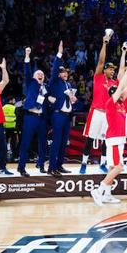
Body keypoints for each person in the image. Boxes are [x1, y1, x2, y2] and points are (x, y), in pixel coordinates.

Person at [90, 62, 127, 206]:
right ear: (114, 93)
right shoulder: (110, 103)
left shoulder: (121, 104)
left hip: (119, 140)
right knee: (119, 167)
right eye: (118, 92)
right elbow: (121, 87)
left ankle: (107, 195)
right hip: (114, 139)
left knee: (112, 168)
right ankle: (99, 190)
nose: (122, 94)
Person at [80, 30, 118, 174]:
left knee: (106, 140)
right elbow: (101, 61)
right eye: (110, 69)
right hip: (96, 112)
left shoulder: (114, 82)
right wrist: (104, 43)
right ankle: (84, 163)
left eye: (113, 69)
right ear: (105, 70)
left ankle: (102, 164)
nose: (112, 71)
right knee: (90, 138)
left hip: (108, 113)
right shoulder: (98, 77)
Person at [17, 46, 48, 177]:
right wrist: (27, 55)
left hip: (41, 118)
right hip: (30, 117)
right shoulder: (31, 83)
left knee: (43, 143)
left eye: (42, 74)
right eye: (38, 74)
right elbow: (27, 70)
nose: (40, 75)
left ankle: (40, 165)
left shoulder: (46, 88)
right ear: (34, 77)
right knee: (26, 142)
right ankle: (21, 167)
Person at [47, 41, 76, 176]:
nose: (66, 74)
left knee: (64, 142)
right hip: (58, 115)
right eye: (63, 72)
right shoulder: (54, 81)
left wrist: (73, 99)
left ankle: (59, 165)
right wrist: (60, 53)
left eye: (67, 72)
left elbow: (70, 100)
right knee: (57, 142)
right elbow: (54, 69)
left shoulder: (68, 84)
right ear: (58, 74)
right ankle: (52, 168)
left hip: (66, 116)